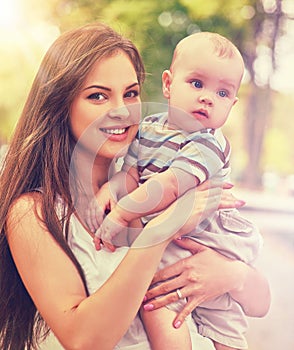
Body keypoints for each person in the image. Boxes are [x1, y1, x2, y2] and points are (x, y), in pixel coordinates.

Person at [0, 23, 270, 350]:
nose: (122, 111)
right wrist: (165, 226)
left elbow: (259, 303)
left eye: (130, 93)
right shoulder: (35, 212)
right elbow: (85, 340)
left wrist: (230, 275)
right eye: (98, 96)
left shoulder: (161, 166)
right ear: (62, 102)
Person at [88, 32, 264, 349]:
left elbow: (168, 185)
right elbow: (132, 173)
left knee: (223, 321)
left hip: (211, 238)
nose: (208, 97)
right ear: (168, 84)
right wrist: (110, 192)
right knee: (158, 303)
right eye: (197, 83)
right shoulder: (149, 129)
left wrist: (122, 213)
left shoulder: (208, 141)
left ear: (232, 104)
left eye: (222, 93)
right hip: (174, 232)